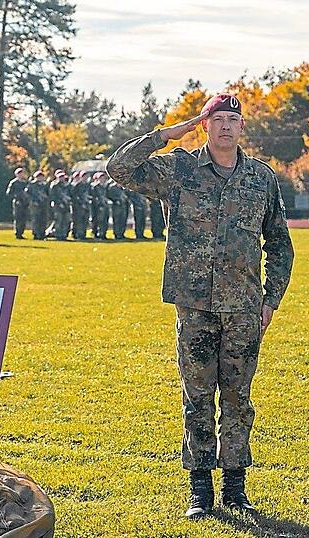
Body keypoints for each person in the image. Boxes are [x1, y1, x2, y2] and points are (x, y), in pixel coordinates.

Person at [106, 93, 294, 519]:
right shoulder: (180, 169)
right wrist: (168, 134)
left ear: (242, 127)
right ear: (205, 125)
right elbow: (118, 168)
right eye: (217, 119)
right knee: (197, 396)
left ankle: (234, 487)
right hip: (194, 305)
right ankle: (200, 488)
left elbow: (280, 242)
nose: (226, 126)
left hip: (244, 306)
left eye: (233, 119)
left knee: (238, 397)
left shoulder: (260, 178)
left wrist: (272, 299)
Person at [6, 168, 30, 239]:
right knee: (18, 218)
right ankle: (17, 233)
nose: (21, 174)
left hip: (25, 203)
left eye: (22, 173)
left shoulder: (26, 183)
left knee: (24, 219)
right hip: (17, 202)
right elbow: (9, 193)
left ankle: (21, 232)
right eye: (19, 173)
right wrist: (16, 196)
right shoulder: (13, 183)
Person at [48, 170, 72, 240]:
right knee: (59, 220)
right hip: (57, 206)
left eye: (63, 177)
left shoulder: (67, 185)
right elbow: (52, 196)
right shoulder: (54, 185)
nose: (62, 178)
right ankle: (58, 234)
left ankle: (64, 234)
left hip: (66, 205)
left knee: (66, 220)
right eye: (60, 177)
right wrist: (59, 203)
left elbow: (71, 194)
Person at [26, 170, 50, 240]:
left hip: (44, 204)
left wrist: (46, 197)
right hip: (35, 205)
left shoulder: (45, 185)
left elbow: (49, 194)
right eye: (38, 176)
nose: (40, 178)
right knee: (36, 219)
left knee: (44, 219)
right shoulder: (32, 185)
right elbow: (27, 193)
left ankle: (42, 233)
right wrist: (33, 201)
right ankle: (36, 234)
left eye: (41, 176)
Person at [107, 175, 129, 240]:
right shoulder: (112, 187)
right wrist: (116, 200)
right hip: (116, 207)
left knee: (123, 220)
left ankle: (122, 233)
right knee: (117, 221)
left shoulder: (123, 188)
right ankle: (117, 234)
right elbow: (109, 196)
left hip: (124, 206)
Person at [71, 172, 92, 240]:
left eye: (86, 176)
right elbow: (74, 196)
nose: (85, 178)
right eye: (84, 176)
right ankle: (78, 234)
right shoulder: (77, 185)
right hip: (79, 206)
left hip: (86, 205)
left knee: (85, 220)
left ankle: (83, 234)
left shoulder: (88, 185)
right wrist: (80, 202)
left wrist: (89, 198)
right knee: (78, 221)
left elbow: (91, 194)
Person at [89, 172, 110, 239]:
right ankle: (98, 234)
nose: (102, 179)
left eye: (103, 178)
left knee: (105, 220)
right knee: (98, 221)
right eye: (101, 178)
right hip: (98, 207)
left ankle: (103, 233)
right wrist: (99, 204)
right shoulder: (95, 187)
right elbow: (94, 197)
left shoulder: (106, 186)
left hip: (105, 206)